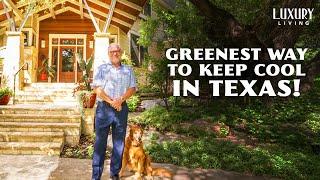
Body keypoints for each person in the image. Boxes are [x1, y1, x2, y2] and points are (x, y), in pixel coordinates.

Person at [91, 43, 136, 180]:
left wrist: (120, 100)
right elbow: (97, 89)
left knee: (119, 143)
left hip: (121, 109)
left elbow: (132, 88)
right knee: (100, 143)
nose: (114, 54)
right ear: (108, 54)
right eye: (111, 52)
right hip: (104, 109)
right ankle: (96, 176)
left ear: (121, 52)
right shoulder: (101, 69)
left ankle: (114, 173)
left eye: (117, 51)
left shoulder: (128, 70)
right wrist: (112, 102)